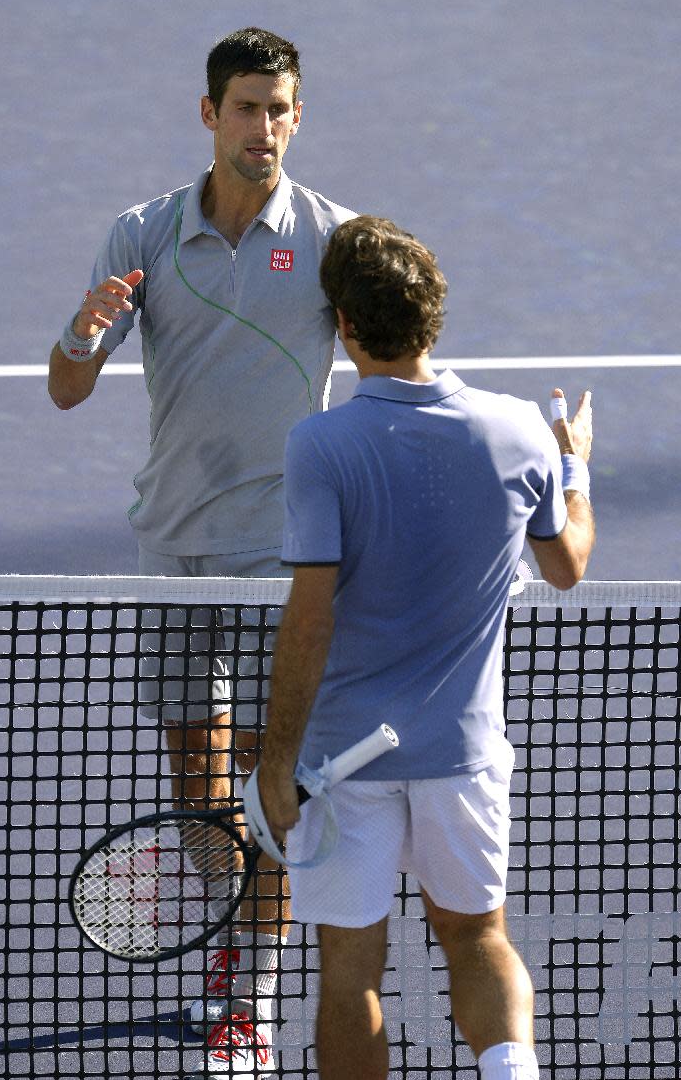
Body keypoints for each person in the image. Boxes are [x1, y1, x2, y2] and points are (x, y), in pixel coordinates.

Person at [47, 26, 355, 1077]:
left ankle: (250, 994)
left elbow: (390, 367)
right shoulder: (141, 233)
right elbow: (66, 383)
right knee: (195, 776)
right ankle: (227, 933)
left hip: (283, 561)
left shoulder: (332, 238)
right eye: (245, 108)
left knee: (273, 783)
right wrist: (85, 332)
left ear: (297, 117)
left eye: (280, 110)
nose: (263, 128)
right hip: (175, 548)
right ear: (209, 115)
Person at [256, 215, 595, 1080]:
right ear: (432, 318)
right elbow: (566, 568)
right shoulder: (521, 430)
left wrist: (276, 760)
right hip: (464, 756)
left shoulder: (320, 444)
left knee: (350, 970)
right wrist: (574, 468)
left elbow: (310, 619)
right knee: (479, 937)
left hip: (343, 763)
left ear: (344, 325)